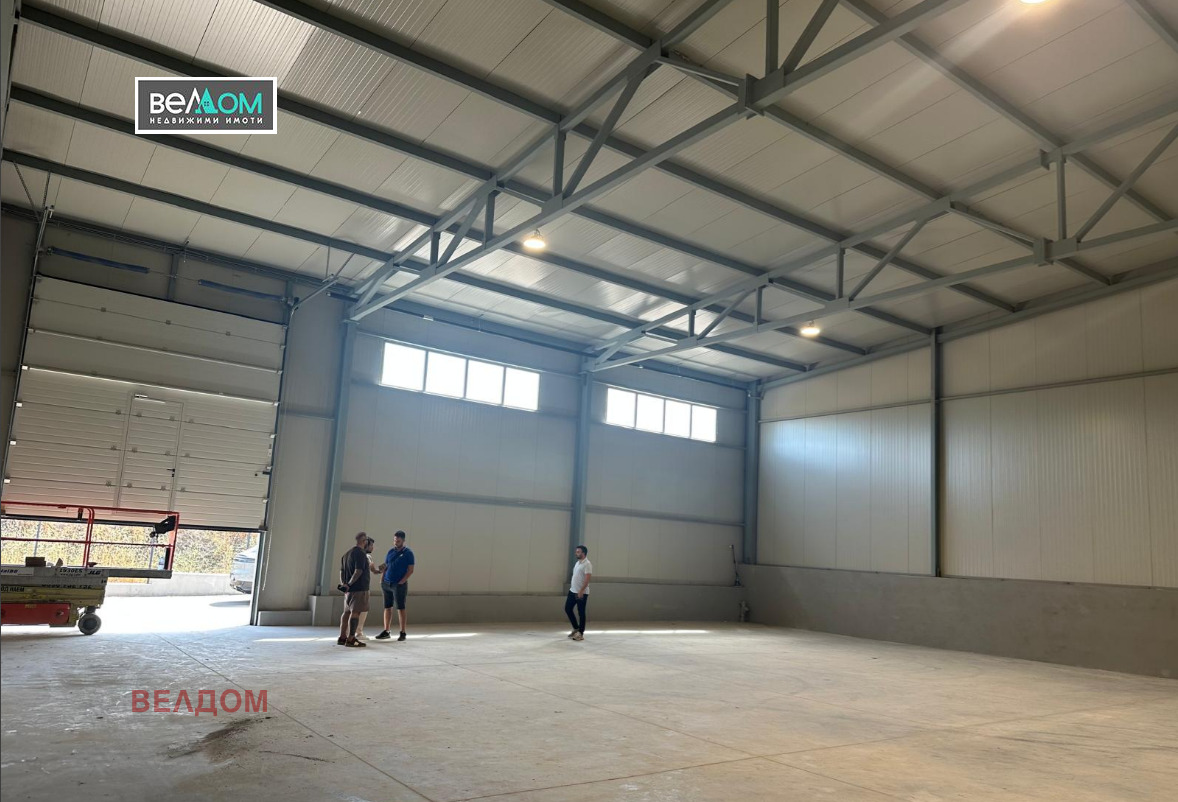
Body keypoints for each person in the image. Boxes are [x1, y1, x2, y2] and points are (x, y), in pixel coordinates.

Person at [375, 530, 414, 641]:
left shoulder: (408, 553)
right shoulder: (390, 552)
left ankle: (403, 632)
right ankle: (386, 631)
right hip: (386, 583)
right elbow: (386, 566)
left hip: (398, 585)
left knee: (400, 608)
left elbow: (410, 570)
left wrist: (402, 581)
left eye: (398, 541)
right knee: (387, 607)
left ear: (403, 540)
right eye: (394, 540)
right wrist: (382, 579)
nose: (396, 542)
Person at [338, 532, 371, 647]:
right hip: (359, 589)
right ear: (364, 541)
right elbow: (358, 571)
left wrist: (344, 584)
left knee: (346, 612)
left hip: (348, 591)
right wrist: (350, 584)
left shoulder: (346, 554)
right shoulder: (361, 553)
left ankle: (342, 637)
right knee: (355, 612)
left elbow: (341, 571)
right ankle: (351, 638)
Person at [355, 536, 381, 640]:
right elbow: (373, 570)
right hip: (362, 587)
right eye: (371, 545)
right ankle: (358, 632)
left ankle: (349, 633)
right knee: (361, 610)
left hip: (355, 587)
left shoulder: (356, 555)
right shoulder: (365, 556)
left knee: (353, 610)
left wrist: (380, 570)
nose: (373, 547)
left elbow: (374, 570)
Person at [564, 545, 592, 641]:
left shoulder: (587, 564)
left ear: (583, 553)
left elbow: (587, 580)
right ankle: (576, 629)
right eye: (576, 552)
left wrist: (581, 591)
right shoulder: (578, 563)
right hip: (572, 591)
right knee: (568, 609)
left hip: (581, 593)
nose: (576, 553)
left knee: (581, 613)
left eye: (578, 552)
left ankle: (580, 633)